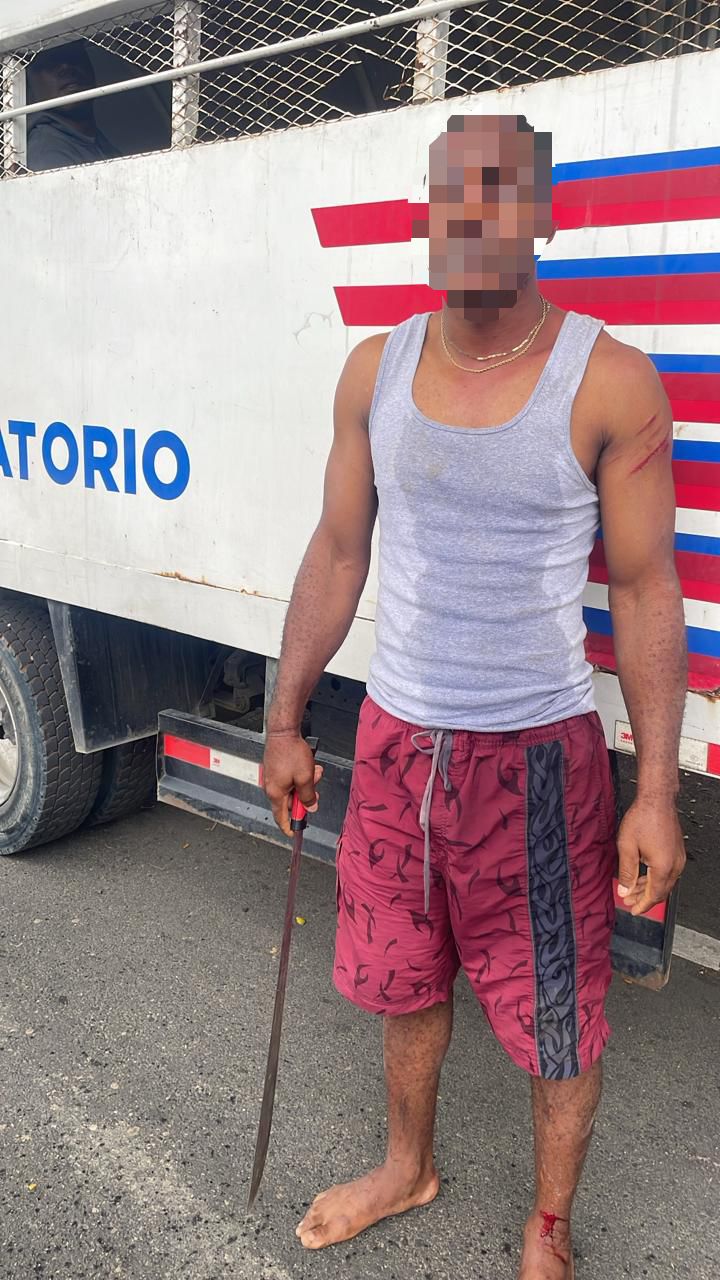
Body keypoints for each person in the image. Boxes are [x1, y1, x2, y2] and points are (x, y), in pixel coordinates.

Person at [262, 113, 687, 1279]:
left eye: (500, 189)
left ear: (540, 214)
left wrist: (655, 789)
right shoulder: (376, 370)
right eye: (452, 189)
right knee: (405, 972)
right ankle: (408, 1163)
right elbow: (338, 550)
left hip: (536, 760)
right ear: (429, 210)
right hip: (397, 741)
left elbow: (645, 589)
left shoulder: (608, 380)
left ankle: (548, 1225)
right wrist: (287, 718)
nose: (472, 212)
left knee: (558, 1008)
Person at [26, 40, 119, 172]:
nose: (66, 66)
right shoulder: (48, 150)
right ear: (29, 85)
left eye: (74, 56)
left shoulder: (93, 140)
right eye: (49, 61)